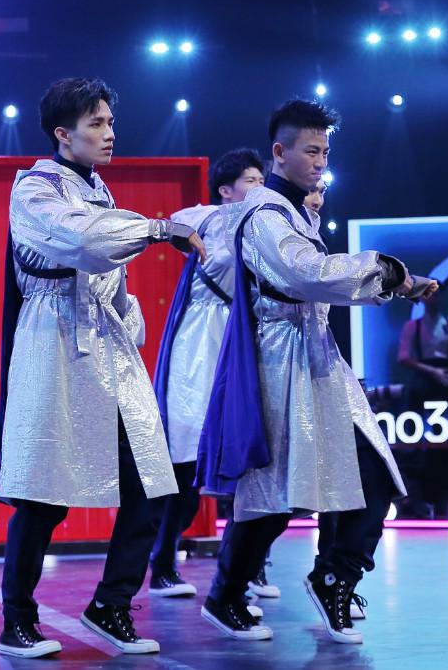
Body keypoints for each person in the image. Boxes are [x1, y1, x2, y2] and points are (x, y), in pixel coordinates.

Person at [197, 99, 437, 645]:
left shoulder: (297, 212)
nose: (321, 161)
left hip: (318, 359)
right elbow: (305, 274)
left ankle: (335, 577)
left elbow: (320, 281)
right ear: (279, 152)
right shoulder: (263, 214)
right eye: (311, 150)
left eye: (325, 151)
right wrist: (389, 271)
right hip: (278, 364)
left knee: (372, 471)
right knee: (273, 495)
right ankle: (226, 594)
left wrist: (400, 283)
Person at [0, 77, 204, 659]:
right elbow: (80, 240)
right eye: (97, 124)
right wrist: (159, 228)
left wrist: (128, 320)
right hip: (53, 345)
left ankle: (111, 604)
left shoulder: (99, 191)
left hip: (109, 350)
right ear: (63, 134)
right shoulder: (35, 189)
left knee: (151, 480)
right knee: (43, 495)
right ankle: (17, 620)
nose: (110, 133)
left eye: (110, 122)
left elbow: (112, 277)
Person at [148, 147, 265, 600]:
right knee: (185, 459)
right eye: (251, 181)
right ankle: (162, 564)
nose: (260, 188)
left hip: (237, 344)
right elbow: (178, 220)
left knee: (247, 458)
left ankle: (249, 568)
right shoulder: (210, 218)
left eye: (262, 180)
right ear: (226, 191)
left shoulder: (264, 227)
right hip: (198, 348)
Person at [397, 290, 448, 439]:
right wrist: (433, 371)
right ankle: (413, 438)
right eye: (428, 295)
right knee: (414, 391)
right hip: (424, 371)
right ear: (422, 298)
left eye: (436, 295)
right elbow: (403, 357)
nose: (432, 299)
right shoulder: (412, 326)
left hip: (447, 371)